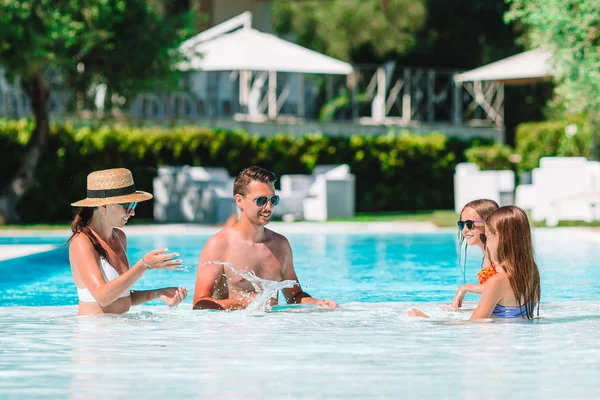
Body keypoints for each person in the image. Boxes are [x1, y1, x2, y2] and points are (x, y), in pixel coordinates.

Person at [192, 166, 337, 310]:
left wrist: (316, 302)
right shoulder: (219, 244)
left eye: (273, 199)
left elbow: (294, 296)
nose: (269, 207)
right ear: (239, 201)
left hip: (271, 330)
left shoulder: (280, 245)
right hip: (233, 330)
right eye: (261, 201)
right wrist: (245, 302)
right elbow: (200, 304)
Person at [68, 168, 188, 315]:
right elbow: (103, 297)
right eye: (127, 206)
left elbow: (122, 296)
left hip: (119, 329)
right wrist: (144, 265)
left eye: (134, 205)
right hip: (94, 333)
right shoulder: (82, 242)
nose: (132, 212)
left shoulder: (119, 237)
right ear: (104, 206)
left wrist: (160, 293)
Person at [409, 205, 541, 320]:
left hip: (499, 343)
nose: (485, 242)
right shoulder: (532, 273)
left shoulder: (497, 281)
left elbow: (474, 324)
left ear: (501, 238)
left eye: (485, 236)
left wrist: (426, 320)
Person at [446, 199, 499, 310]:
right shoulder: (488, 253)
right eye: (461, 224)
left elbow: (502, 287)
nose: (464, 230)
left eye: (469, 224)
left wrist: (464, 288)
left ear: (489, 224)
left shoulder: (497, 255)